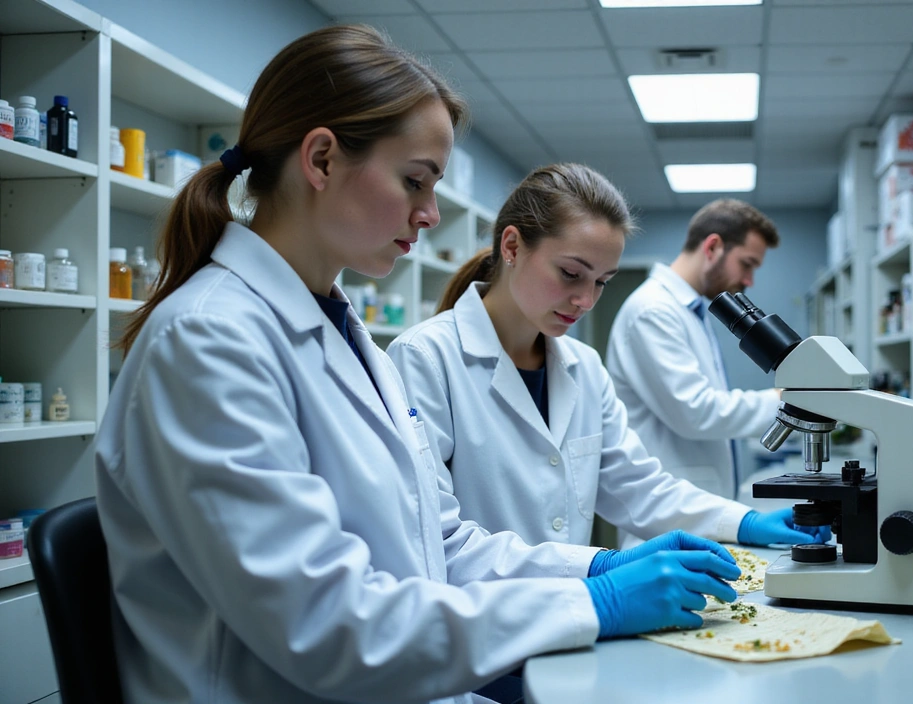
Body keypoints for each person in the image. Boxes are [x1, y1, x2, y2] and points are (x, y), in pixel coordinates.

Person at [95, 26, 740, 704]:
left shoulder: (347, 341)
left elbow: (444, 545)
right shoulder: (209, 340)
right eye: (414, 181)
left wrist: (600, 567)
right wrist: (594, 604)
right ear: (320, 160)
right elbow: (328, 626)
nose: (430, 213)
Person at [387, 164, 828, 555]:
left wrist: (745, 522)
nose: (585, 300)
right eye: (570, 274)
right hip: (481, 629)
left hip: (573, 621)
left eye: (602, 281)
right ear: (512, 246)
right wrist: (597, 570)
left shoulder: (583, 366)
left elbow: (636, 487)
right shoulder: (425, 359)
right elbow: (435, 536)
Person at [606, 199, 784, 526]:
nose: (749, 281)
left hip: (697, 506)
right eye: (747, 264)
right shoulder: (653, 311)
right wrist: (782, 400)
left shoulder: (690, 310)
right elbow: (696, 412)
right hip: (667, 514)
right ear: (713, 247)